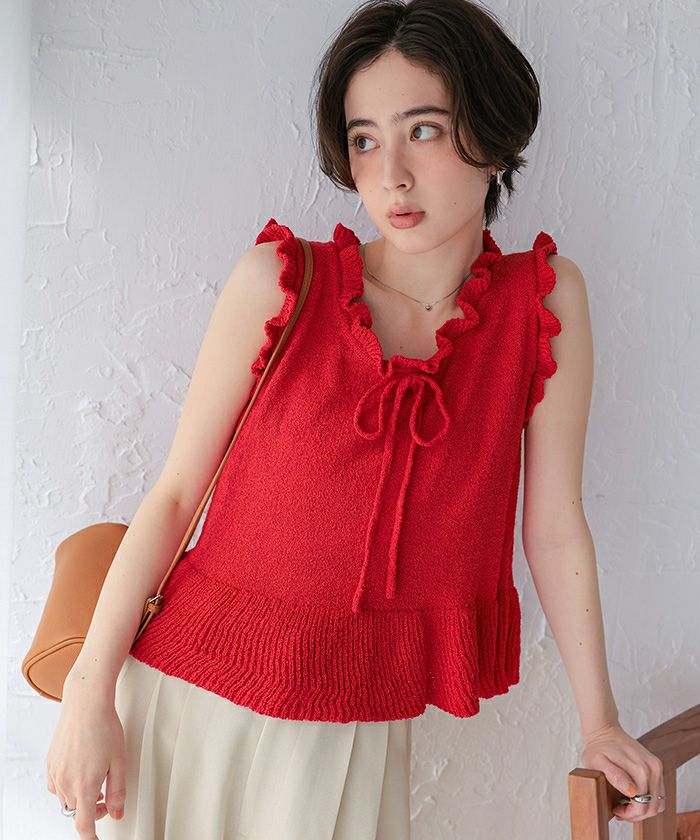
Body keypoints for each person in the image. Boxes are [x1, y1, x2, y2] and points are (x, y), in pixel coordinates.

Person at [45, 0, 666, 838]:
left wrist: (600, 723)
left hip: (356, 727)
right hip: (186, 707)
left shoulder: (542, 304)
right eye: (365, 139)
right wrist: (88, 695)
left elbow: (553, 527)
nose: (391, 176)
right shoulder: (279, 283)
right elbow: (175, 496)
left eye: (424, 130)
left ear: (493, 134)